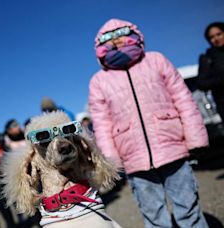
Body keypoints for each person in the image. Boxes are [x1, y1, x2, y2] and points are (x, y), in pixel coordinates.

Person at [89, 18, 209, 228]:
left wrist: (195, 138)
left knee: (188, 207)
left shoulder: (156, 60)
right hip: (134, 159)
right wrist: (112, 161)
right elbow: (101, 125)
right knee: (153, 216)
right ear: (100, 47)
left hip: (173, 148)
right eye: (109, 39)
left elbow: (183, 99)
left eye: (122, 35)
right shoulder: (99, 81)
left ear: (135, 36)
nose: (117, 41)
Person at [198, 22, 224, 119]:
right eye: (211, 37)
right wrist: (221, 79)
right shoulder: (207, 58)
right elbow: (202, 83)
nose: (216, 39)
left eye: (219, 34)